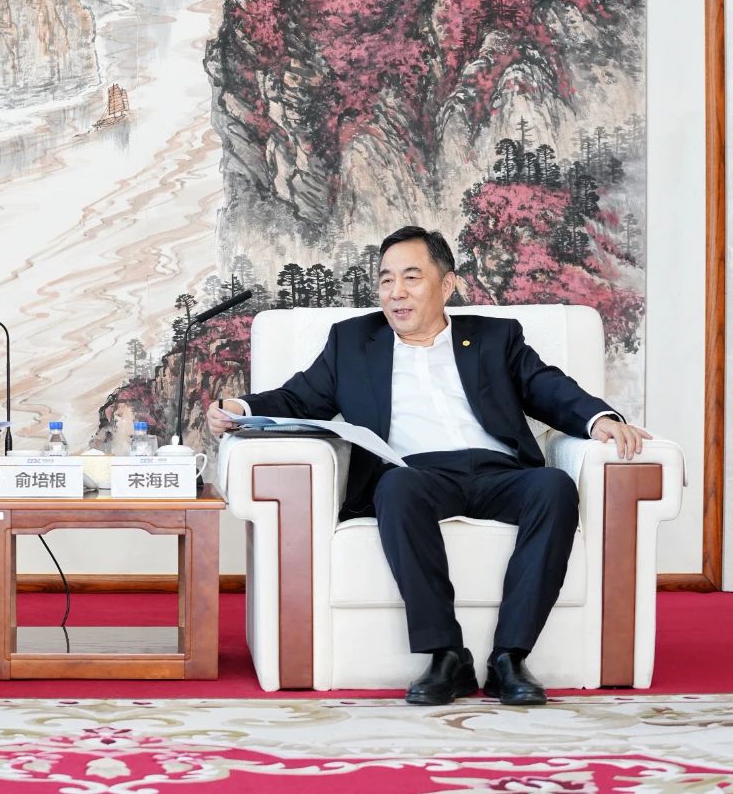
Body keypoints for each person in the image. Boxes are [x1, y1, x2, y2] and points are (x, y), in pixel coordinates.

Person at [206, 226, 650, 706]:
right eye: (386, 280)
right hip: (415, 475)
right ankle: (447, 655)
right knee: (395, 489)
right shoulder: (353, 342)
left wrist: (599, 419)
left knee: (554, 486)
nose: (396, 292)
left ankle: (510, 658)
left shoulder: (494, 337)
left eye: (411, 278)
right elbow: (299, 397)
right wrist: (241, 408)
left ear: (447, 284)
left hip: (500, 473)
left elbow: (546, 386)